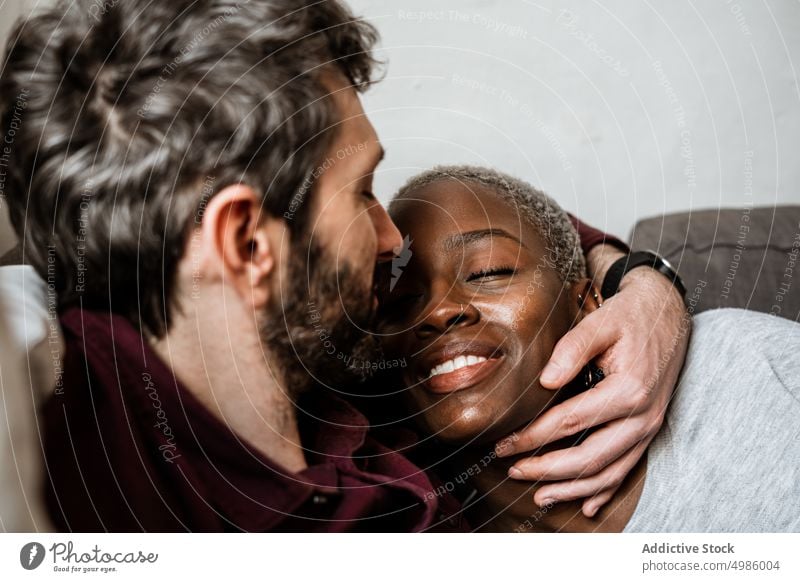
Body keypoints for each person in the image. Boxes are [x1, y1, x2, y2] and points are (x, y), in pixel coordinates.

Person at [0, 0, 685, 530]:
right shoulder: (71, 421)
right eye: (362, 192)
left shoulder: (334, 349)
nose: (390, 238)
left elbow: (517, 237)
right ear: (244, 244)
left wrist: (640, 281)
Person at [376, 165, 800, 532]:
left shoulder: (747, 365)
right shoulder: (410, 522)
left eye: (488, 271)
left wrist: (644, 276)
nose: (438, 311)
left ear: (585, 303)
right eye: (399, 301)